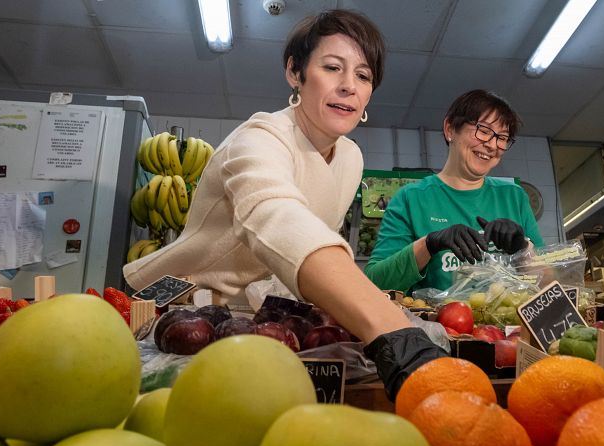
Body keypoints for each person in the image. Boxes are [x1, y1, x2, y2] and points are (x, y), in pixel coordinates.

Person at [122, 10, 445, 399]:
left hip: (268, 323)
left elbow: (316, 240)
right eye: (332, 68)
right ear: (295, 72)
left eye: (363, 75)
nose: (349, 86)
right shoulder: (260, 137)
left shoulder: (351, 158)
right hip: (187, 316)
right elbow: (276, 216)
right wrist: (390, 328)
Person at [365, 89, 544, 294]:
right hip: (438, 326)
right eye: (484, 131)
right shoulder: (410, 198)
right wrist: (429, 244)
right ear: (450, 129)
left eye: (502, 138)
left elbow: (550, 283)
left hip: (508, 324)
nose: (492, 145)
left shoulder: (514, 196)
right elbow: (374, 283)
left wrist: (523, 249)